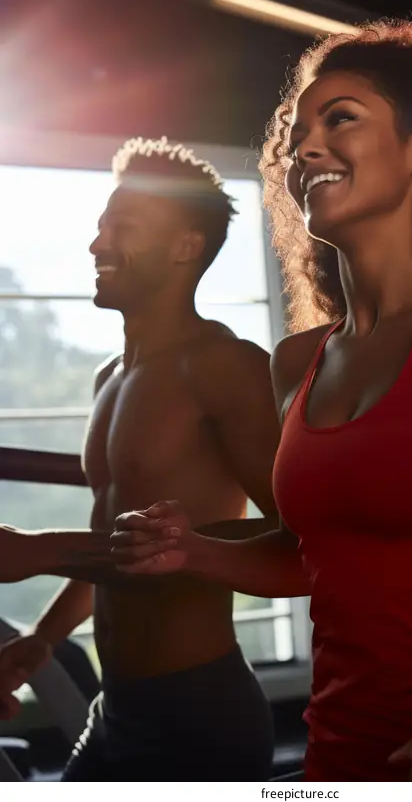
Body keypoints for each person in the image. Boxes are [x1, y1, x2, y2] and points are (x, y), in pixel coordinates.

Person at [111, 18, 412, 781]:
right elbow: (321, 556)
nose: (304, 147)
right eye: (296, 132)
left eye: (340, 117)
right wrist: (196, 552)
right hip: (331, 767)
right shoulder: (299, 361)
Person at [0, 137, 280, 780]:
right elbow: (115, 535)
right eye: (100, 226)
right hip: (117, 706)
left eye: (122, 227)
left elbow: (304, 539)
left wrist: (43, 548)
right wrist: (44, 637)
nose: (97, 245)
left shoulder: (226, 367)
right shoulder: (111, 378)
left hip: (198, 713)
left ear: (185, 245)